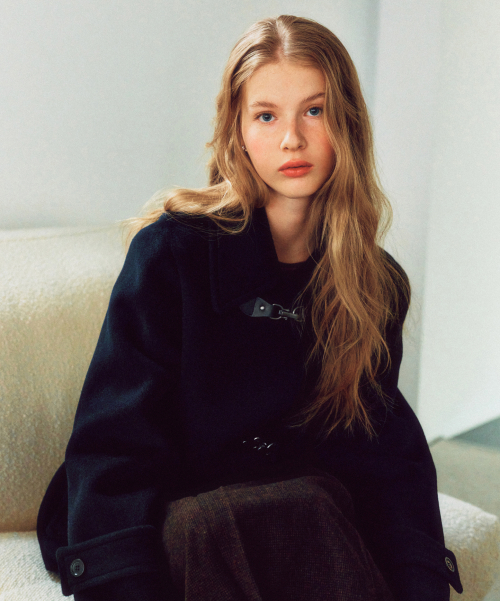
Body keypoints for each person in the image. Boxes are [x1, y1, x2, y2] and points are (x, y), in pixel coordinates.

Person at [37, 14, 464, 601]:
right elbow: (116, 438)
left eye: (314, 111)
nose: (292, 139)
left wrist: (418, 578)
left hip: (299, 519)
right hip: (167, 512)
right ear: (237, 131)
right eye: (266, 116)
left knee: (307, 506)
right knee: (218, 522)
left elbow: (385, 454)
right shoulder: (171, 254)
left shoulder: (375, 282)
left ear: (347, 123)